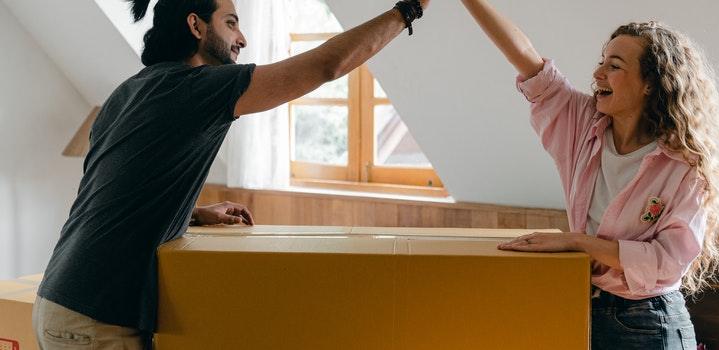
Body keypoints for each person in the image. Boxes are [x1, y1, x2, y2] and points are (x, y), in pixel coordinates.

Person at [32, 0, 429, 348]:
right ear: (196, 26)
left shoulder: (130, 90)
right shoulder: (201, 88)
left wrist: (194, 212)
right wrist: (408, 10)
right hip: (96, 318)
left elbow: (111, 193)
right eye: (232, 23)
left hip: (58, 299)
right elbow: (327, 64)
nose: (243, 39)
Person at [459, 1, 719, 349]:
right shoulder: (580, 123)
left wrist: (577, 242)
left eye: (614, 66)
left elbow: (666, 263)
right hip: (585, 307)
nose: (598, 74)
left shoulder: (684, 165)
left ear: (651, 84)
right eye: (601, 62)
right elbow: (525, 55)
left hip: (650, 323)